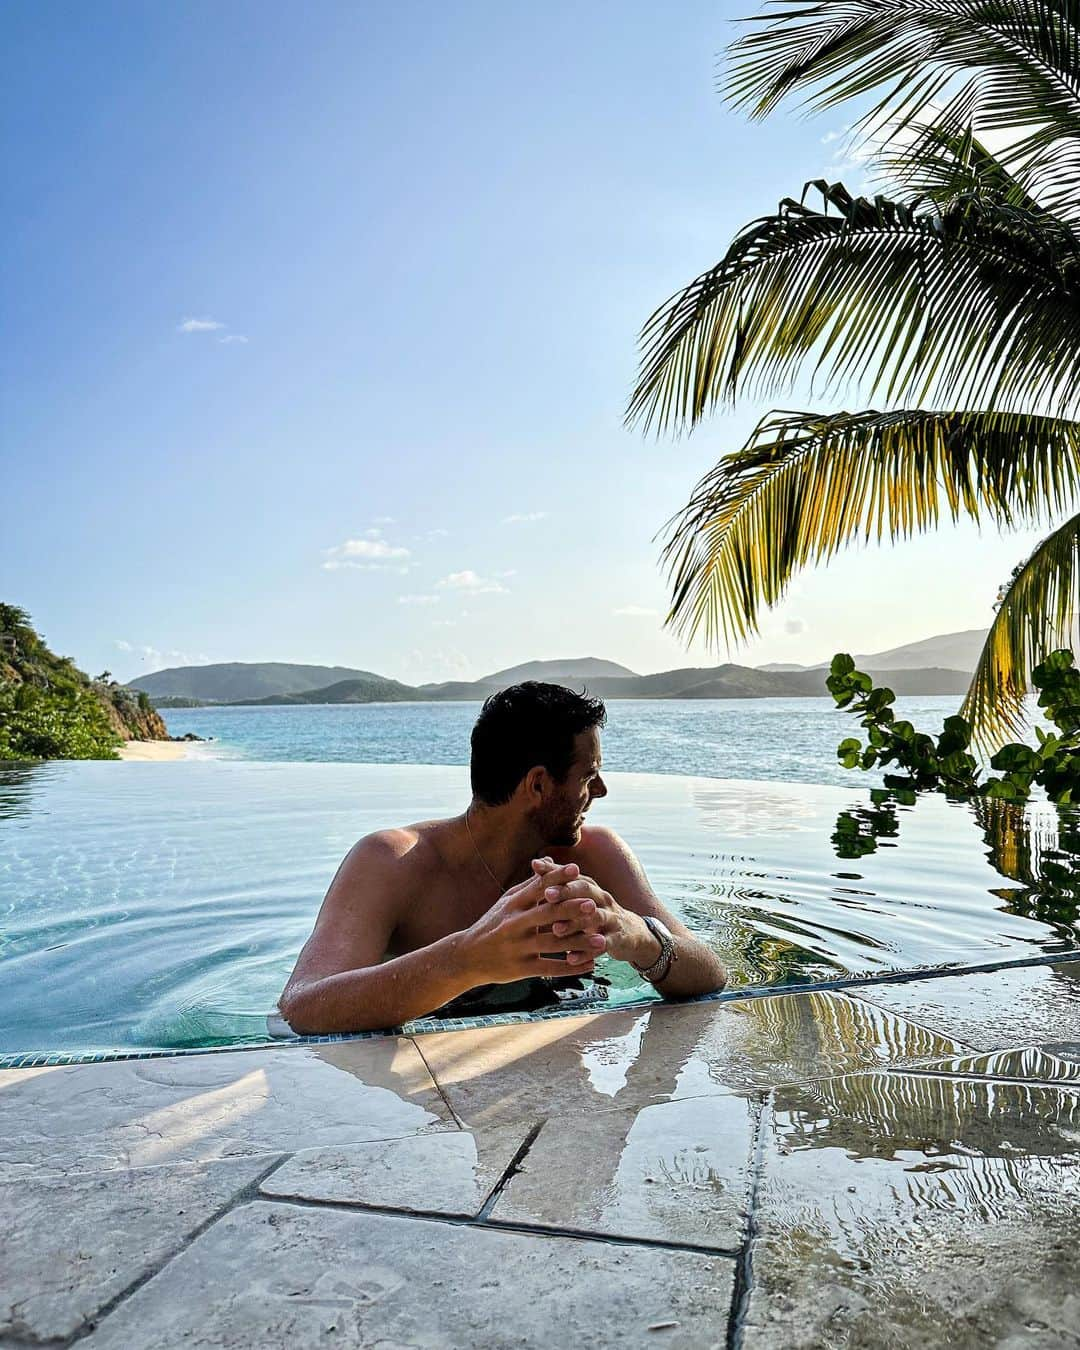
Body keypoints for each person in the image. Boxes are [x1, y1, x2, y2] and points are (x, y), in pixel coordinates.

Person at [279, 682, 727, 1033]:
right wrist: (465, 960)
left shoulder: (595, 854)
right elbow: (303, 1006)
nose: (602, 790)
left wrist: (638, 936)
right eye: (589, 775)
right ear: (537, 786)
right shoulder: (393, 861)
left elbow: (710, 973)